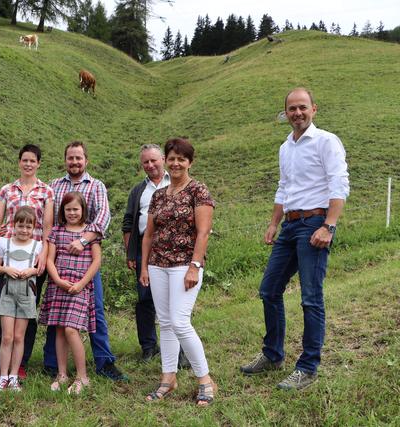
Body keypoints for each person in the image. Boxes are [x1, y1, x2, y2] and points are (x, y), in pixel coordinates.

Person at [239, 88, 349, 390]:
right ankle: (273, 355)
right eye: (291, 109)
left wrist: (329, 226)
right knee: (269, 290)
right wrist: (274, 223)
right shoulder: (285, 147)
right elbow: (283, 187)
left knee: (311, 298)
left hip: (315, 222)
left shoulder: (327, 141)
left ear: (314, 109)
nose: (297, 113)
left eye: (302, 107)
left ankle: (308, 367)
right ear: (285, 113)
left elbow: (338, 184)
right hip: (289, 226)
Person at [140, 137, 217, 406]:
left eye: (180, 159)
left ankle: (205, 380)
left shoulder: (199, 191)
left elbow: (203, 232)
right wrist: (144, 266)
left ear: (189, 162)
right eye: (171, 158)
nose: (175, 163)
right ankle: (168, 378)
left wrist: (195, 266)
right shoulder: (158, 195)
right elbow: (149, 234)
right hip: (158, 265)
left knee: (180, 321)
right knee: (166, 323)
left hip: (185, 265)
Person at [43, 140, 128, 381]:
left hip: (85, 260)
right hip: (58, 258)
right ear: (65, 160)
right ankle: (53, 364)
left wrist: (82, 240)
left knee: (95, 311)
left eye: (79, 158)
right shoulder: (54, 186)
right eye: (70, 158)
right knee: (55, 313)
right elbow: (49, 220)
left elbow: (102, 218)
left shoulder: (96, 185)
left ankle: (104, 362)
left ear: (86, 160)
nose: (74, 162)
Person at [0, 144, 54, 385]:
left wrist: (44, 256)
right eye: (24, 160)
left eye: (32, 161)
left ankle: (19, 366)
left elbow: (47, 229)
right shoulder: (7, 190)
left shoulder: (46, 192)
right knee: (0, 312)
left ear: (38, 163)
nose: (28, 164)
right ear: (19, 162)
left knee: (28, 313)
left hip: (32, 258)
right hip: (7, 255)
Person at [122, 144, 189, 367]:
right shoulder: (138, 191)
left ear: (163, 159)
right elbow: (129, 223)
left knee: (175, 299)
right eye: (145, 162)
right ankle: (149, 346)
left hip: (175, 247)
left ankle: (180, 350)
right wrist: (130, 252)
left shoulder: (179, 182)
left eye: (154, 160)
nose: (150, 165)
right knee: (145, 298)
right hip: (145, 247)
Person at [40, 192, 102, 394]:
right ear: (62, 211)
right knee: (59, 329)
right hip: (59, 285)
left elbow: (96, 261)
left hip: (80, 287)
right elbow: (49, 259)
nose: (72, 213)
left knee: (71, 330)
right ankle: (62, 374)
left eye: (76, 209)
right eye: (68, 209)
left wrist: (82, 283)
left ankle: (82, 377)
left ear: (83, 210)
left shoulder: (90, 234)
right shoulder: (57, 231)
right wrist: (57, 280)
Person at [0, 206, 42, 392]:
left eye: (28, 227)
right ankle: (2, 376)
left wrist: (31, 271)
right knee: (7, 337)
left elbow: (40, 267)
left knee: (19, 336)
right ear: (14, 225)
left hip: (27, 292)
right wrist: (7, 269)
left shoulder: (37, 246)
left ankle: (14, 376)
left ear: (33, 228)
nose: (24, 230)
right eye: (21, 226)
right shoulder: (4, 243)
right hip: (7, 291)